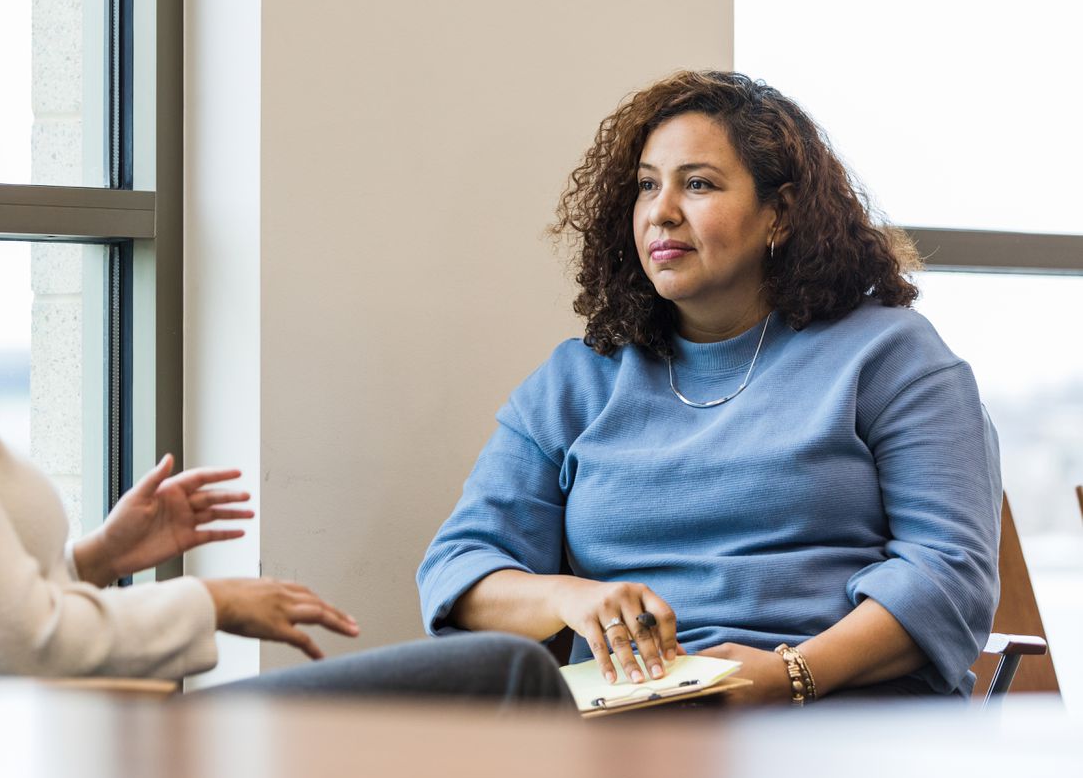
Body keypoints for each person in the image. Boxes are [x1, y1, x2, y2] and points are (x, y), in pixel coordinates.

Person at [0, 52, 570, 705]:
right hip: (62, 758)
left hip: (41, 740)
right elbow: (22, 645)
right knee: (510, 674)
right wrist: (211, 599)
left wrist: (98, 559)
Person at [417, 70, 1002, 703]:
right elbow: (459, 569)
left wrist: (792, 675)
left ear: (778, 214)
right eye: (647, 186)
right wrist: (570, 597)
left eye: (698, 184)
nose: (661, 212)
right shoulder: (577, 381)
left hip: (842, 719)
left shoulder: (891, 356)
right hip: (632, 735)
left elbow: (950, 574)